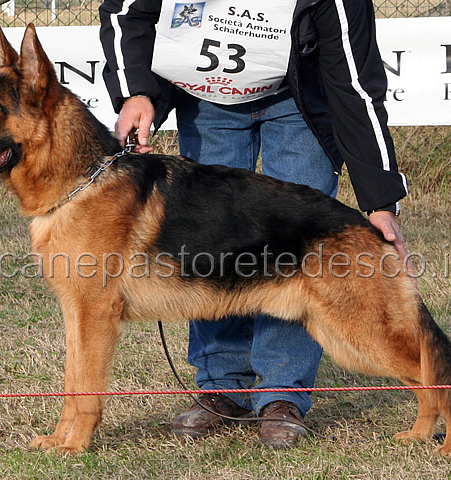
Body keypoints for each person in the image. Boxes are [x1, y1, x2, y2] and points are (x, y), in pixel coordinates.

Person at [99, 0, 409, 448]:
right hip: (204, 99)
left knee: (297, 252)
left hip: (299, 99)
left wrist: (379, 200)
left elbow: (355, 84)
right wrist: (137, 91)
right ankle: (222, 387)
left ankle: (282, 395)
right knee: (206, 248)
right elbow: (126, 12)